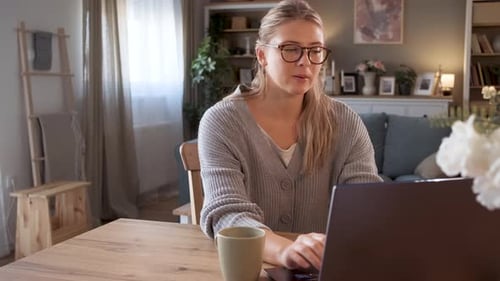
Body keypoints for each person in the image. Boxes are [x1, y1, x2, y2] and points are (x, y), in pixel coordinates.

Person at [197, 0, 382, 271]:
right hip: (249, 271)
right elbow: (228, 214)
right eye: (290, 49)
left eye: (315, 50)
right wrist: (287, 251)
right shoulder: (221, 121)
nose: (305, 62)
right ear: (261, 55)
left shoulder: (345, 122)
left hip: (326, 271)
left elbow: (365, 205)